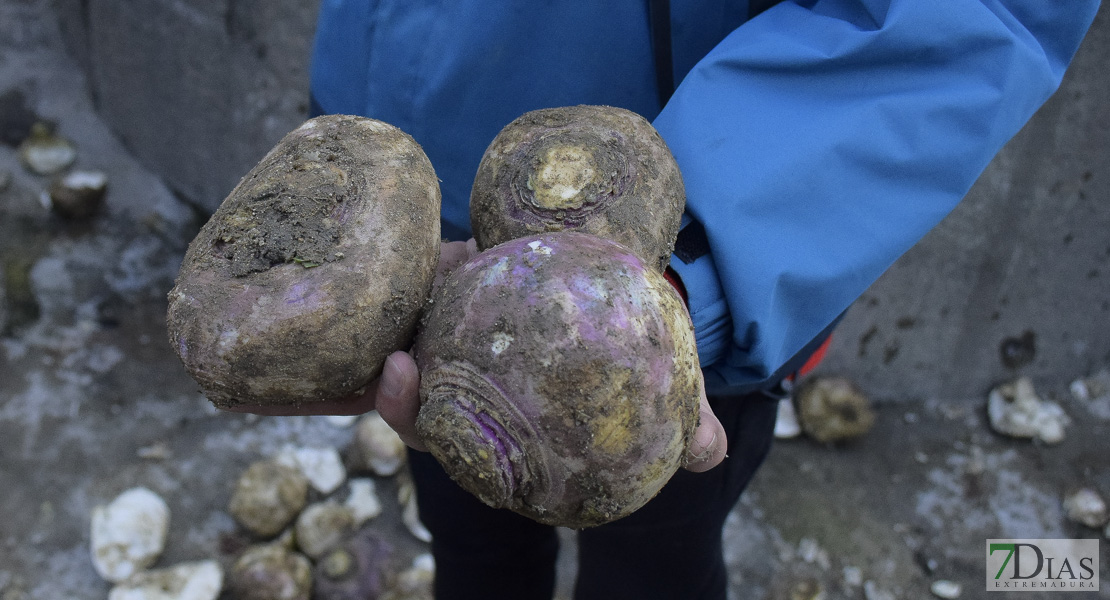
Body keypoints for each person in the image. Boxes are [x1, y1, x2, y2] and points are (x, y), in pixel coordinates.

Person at [232, 1, 1099, 598]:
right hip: (432, 251)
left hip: (682, 270)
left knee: (654, 554)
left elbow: (970, 16)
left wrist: (685, 272)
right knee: (468, 526)